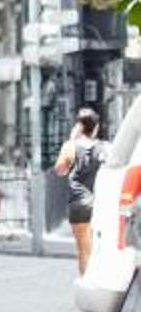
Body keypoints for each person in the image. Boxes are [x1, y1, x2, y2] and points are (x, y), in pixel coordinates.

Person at [59, 109, 106, 272]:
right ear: (96, 127)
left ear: (79, 127)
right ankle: (98, 277)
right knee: (99, 247)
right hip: (101, 203)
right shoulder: (105, 148)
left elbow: (60, 170)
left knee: (84, 249)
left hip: (78, 203)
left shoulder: (70, 146)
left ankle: (86, 279)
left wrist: (72, 140)